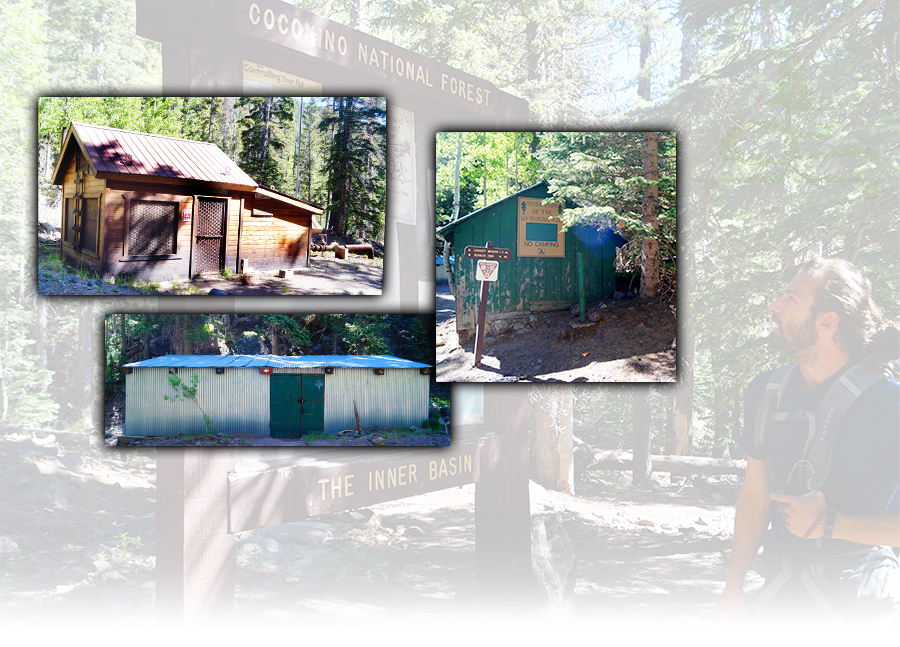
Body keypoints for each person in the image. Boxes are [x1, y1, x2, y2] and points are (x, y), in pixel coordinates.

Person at [721, 257, 900, 621]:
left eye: (791, 299)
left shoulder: (889, 404)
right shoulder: (766, 391)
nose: (774, 306)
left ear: (827, 321)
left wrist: (833, 524)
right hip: (781, 596)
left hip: (859, 608)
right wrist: (734, 583)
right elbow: (756, 492)